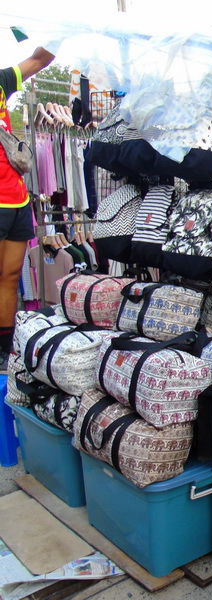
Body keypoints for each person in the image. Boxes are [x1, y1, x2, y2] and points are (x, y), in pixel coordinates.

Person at [0, 47, 55, 368]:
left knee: (8, 278)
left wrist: (65, 29)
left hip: (18, 198)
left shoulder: (3, 80)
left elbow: (40, 59)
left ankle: (4, 352)